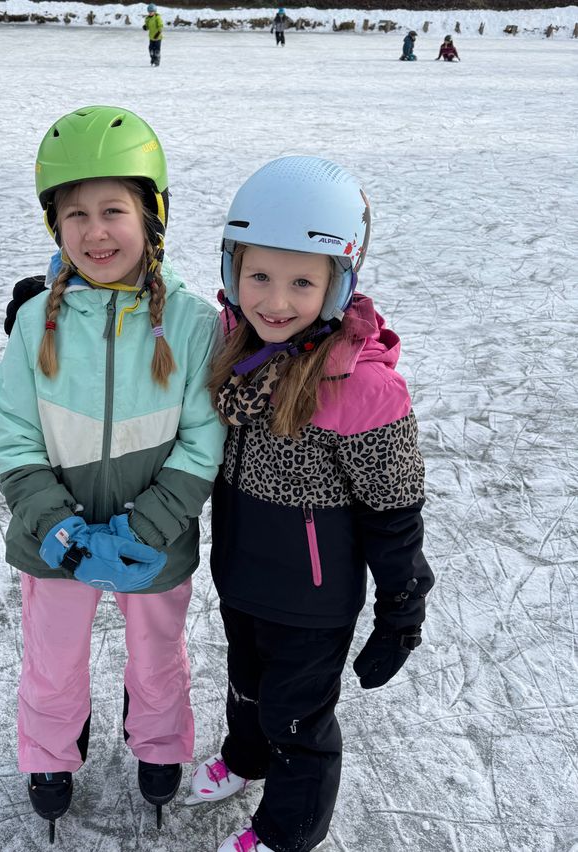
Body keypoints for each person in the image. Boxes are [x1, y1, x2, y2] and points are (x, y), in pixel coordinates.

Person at [0, 105, 226, 840]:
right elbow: (14, 431)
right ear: (53, 226)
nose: (95, 231)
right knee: (52, 663)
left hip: (154, 542)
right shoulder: (37, 323)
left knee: (157, 659)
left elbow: (203, 435)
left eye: (113, 210)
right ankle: (50, 753)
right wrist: (53, 523)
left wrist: (152, 524)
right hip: (53, 544)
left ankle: (158, 747)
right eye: (75, 214)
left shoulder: (190, 322)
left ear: (151, 215)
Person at [186, 156, 434, 852]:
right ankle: (245, 757)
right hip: (241, 579)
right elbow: (158, 326)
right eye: (259, 275)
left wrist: (401, 612)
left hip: (313, 601)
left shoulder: (361, 388)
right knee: (245, 687)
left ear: (336, 286)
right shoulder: (236, 350)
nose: (275, 299)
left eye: (302, 281)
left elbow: (395, 509)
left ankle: (287, 831)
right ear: (234, 269)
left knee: (300, 720)